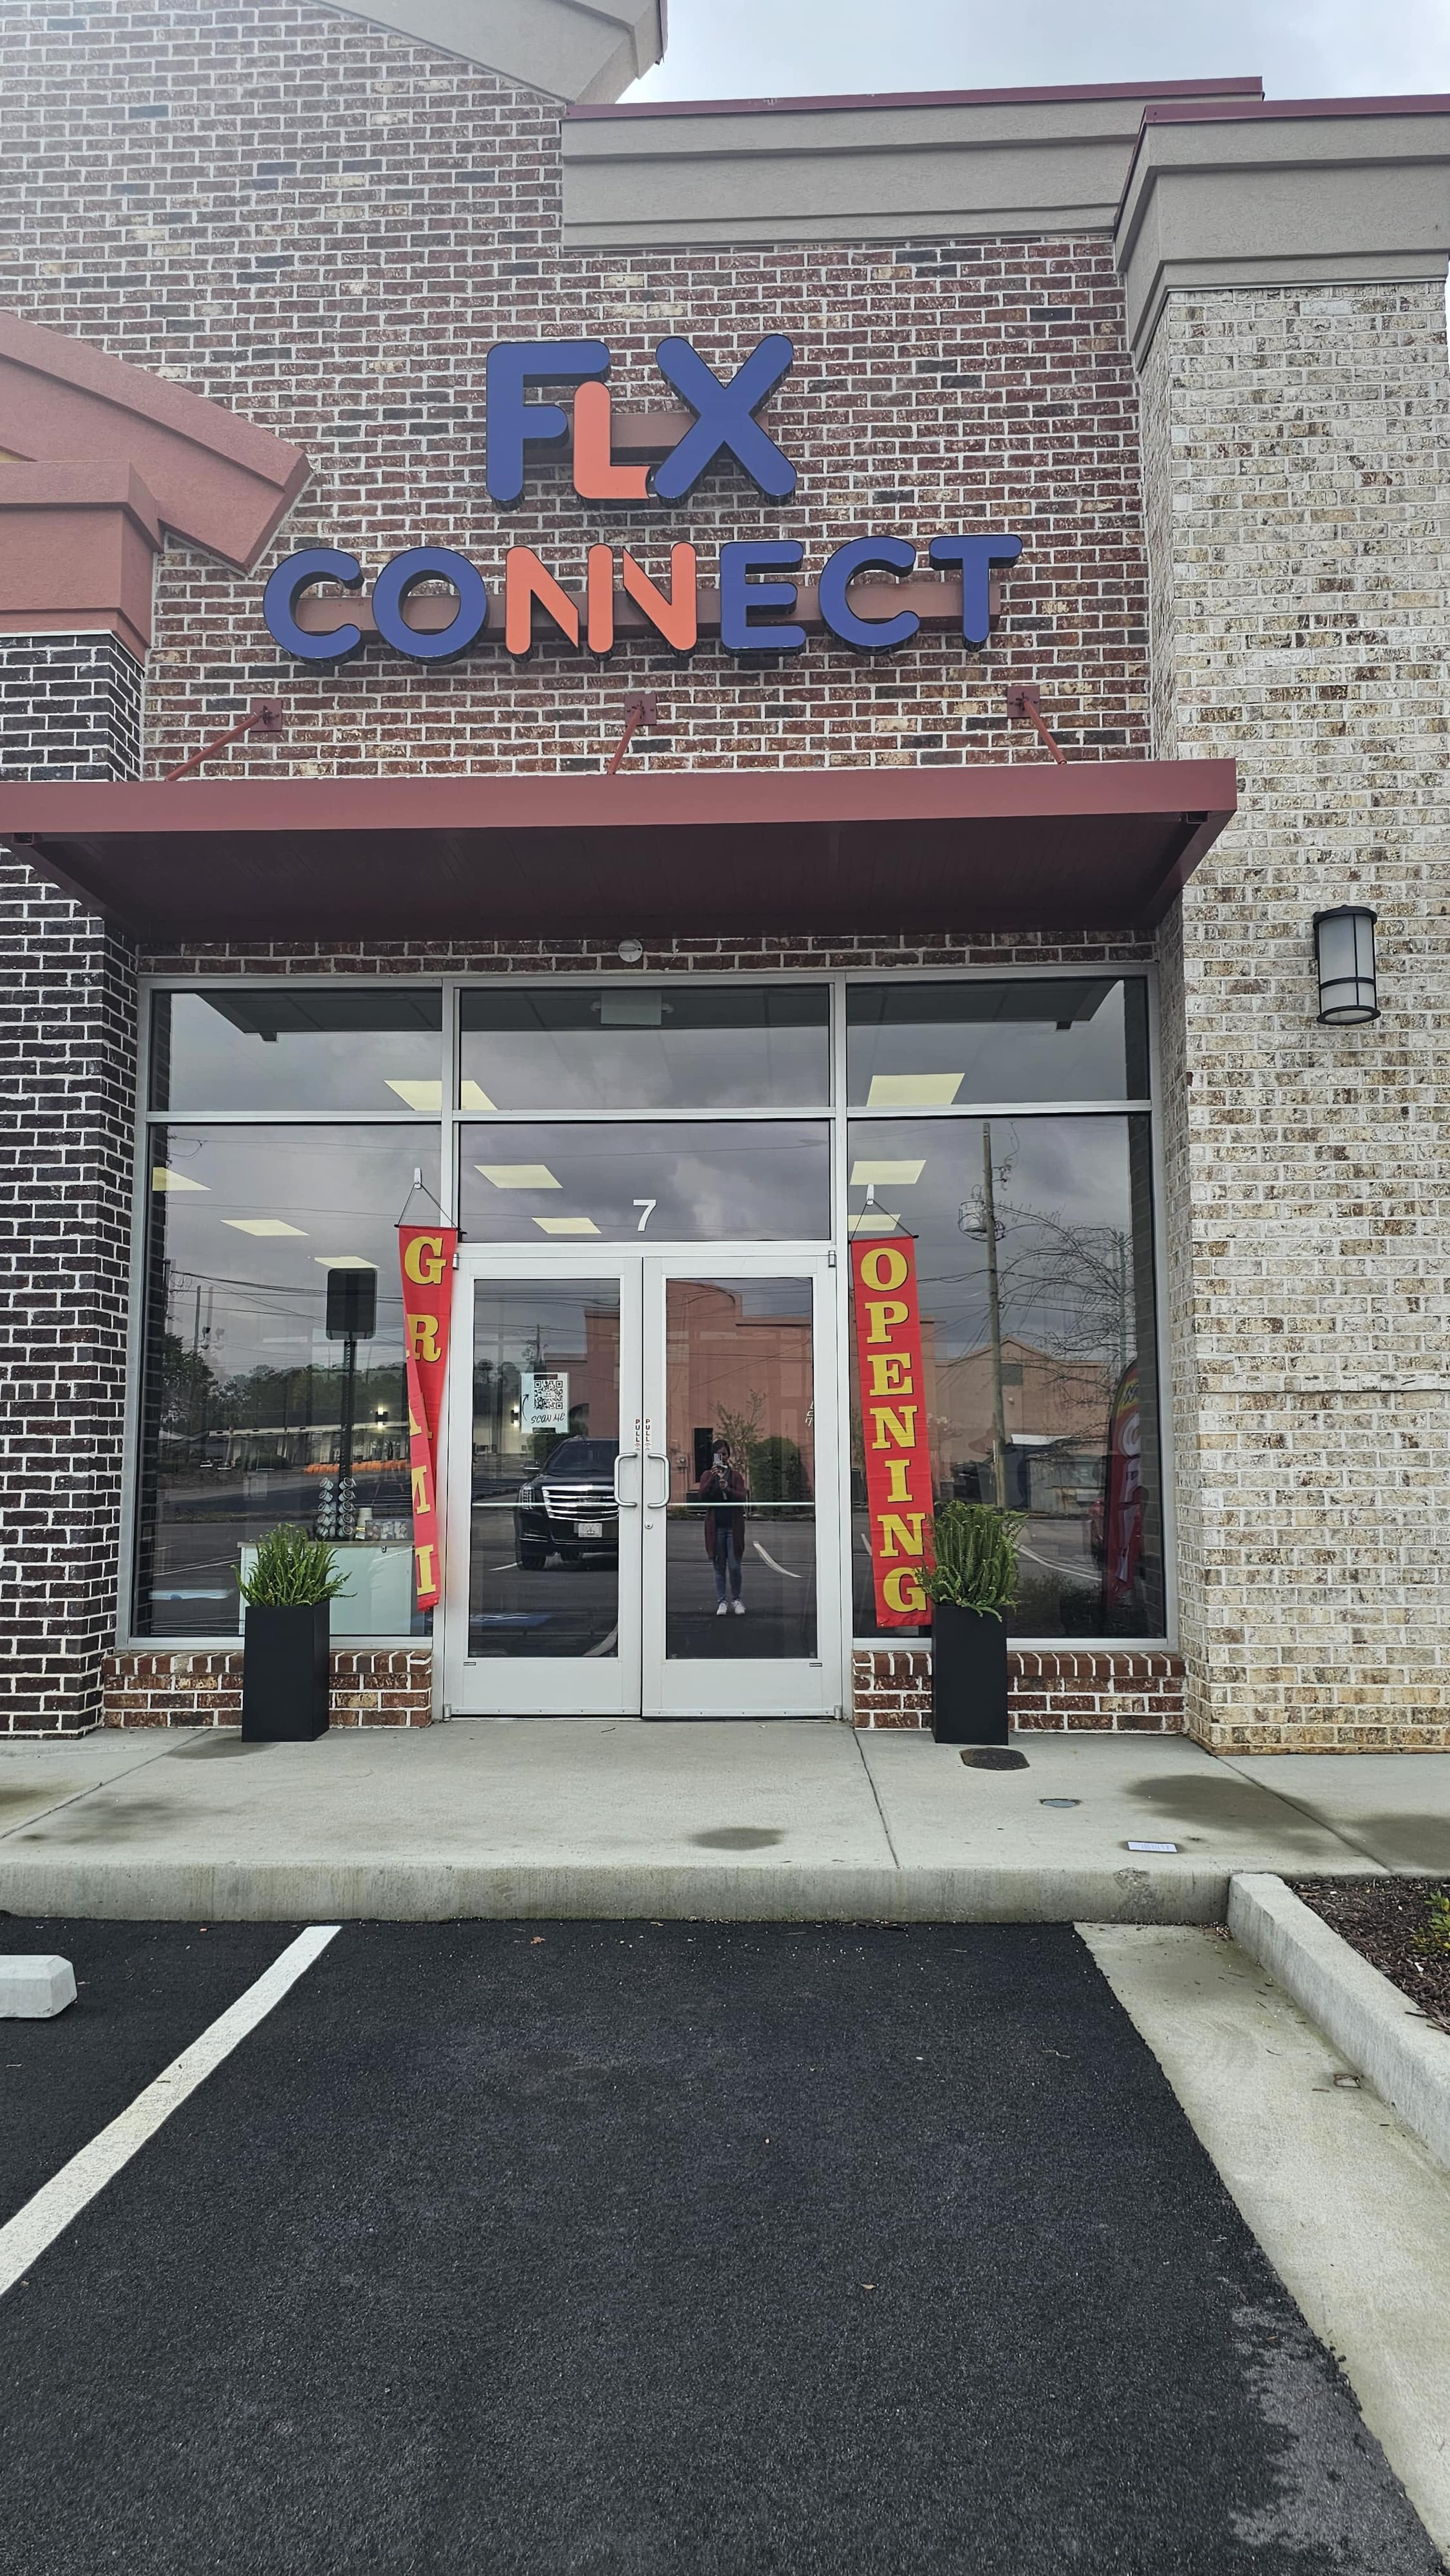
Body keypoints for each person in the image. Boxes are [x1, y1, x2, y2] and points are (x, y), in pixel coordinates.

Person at [692, 1438, 747, 1616]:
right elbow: (702, 1497)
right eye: (719, 1455)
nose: (722, 1458)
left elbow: (742, 1498)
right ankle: (722, 1601)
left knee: (734, 1565)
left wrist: (728, 1489)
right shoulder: (708, 1475)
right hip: (716, 1528)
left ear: (729, 1455)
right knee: (719, 1566)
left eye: (724, 1454)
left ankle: (737, 1600)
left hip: (733, 1526)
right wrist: (713, 1480)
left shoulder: (736, 1476)